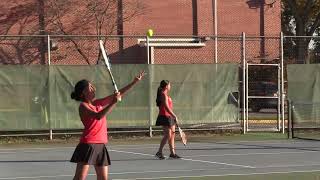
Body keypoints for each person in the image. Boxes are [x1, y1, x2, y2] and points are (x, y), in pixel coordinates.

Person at [70, 71, 145, 180]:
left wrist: (134, 82)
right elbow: (98, 116)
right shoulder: (83, 106)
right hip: (88, 145)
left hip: (100, 144)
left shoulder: (98, 103)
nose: (93, 88)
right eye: (90, 87)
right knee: (79, 178)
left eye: (92, 86)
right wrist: (114, 102)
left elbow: (119, 94)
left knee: (103, 178)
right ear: (83, 93)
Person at [155, 80, 181, 160]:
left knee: (172, 135)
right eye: (170, 85)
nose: (170, 86)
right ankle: (159, 152)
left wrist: (172, 116)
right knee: (167, 135)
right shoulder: (163, 95)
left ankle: (172, 153)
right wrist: (175, 116)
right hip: (164, 117)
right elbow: (166, 107)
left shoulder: (165, 95)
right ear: (166, 86)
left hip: (169, 117)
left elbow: (169, 107)